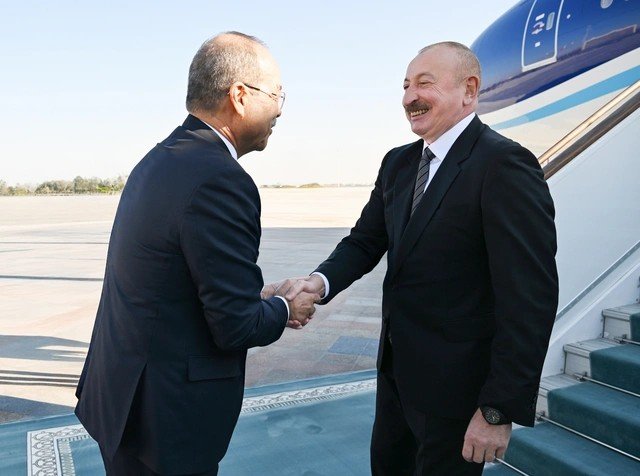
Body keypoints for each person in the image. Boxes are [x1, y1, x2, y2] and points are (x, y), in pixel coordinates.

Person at [281, 42, 559, 475]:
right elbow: (364, 241)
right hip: (396, 379)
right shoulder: (398, 163)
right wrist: (318, 282)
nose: (409, 97)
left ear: (469, 90)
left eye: (424, 84)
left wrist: (498, 409)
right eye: (406, 86)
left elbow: (530, 298)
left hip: (458, 395)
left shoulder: (503, 164)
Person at [75, 32, 319, 476]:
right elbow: (235, 327)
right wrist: (286, 308)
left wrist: (255, 295)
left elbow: (170, 280)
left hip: (125, 400)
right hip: (166, 421)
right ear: (240, 96)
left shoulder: (161, 159)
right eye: (276, 94)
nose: (281, 109)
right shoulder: (220, 179)